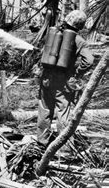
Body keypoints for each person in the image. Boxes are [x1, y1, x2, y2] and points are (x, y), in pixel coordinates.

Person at [37, 10, 94, 148]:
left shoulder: (53, 34)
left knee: (45, 109)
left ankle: (42, 142)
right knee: (64, 111)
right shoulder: (79, 40)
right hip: (63, 79)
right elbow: (90, 60)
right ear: (80, 25)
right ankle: (64, 147)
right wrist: (77, 73)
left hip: (46, 76)